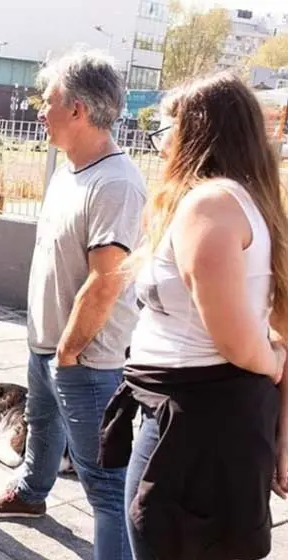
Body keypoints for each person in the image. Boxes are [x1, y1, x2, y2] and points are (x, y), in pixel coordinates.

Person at [99, 73, 288, 560]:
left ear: (197, 134)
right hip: (209, 421)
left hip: (196, 427)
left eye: (165, 133)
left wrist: (272, 365)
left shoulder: (211, 204)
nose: (161, 148)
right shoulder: (247, 202)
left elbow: (241, 344)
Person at [0, 51, 144, 560]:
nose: (38, 111)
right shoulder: (71, 171)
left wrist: (68, 352)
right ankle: (29, 495)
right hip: (48, 344)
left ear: (79, 110)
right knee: (43, 428)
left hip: (85, 358)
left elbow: (106, 280)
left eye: (49, 102)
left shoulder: (116, 183)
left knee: (105, 485)